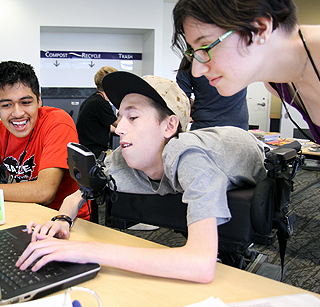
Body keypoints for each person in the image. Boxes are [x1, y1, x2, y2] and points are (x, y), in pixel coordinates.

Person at [171, 0, 320, 302]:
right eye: (192, 53)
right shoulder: (277, 79)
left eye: (205, 47)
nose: (197, 68)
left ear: (260, 27)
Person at [15, 71, 266, 283]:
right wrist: (62, 219)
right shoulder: (121, 158)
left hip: (242, 145)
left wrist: (87, 250)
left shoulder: (191, 157)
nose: (121, 128)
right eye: (120, 116)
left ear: (169, 126)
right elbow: (79, 193)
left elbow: (201, 263)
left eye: (133, 117)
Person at [0, 61, 90, 220]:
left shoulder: (57, 123)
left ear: (39, 100)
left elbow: (44, 192)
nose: (17, 113)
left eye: (26, 102)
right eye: (7, 105)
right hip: (23, 214)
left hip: (66, 218)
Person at [176, 57, 249, 130]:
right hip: (238, 126)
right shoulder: (242, 55)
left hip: (205, 126)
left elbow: (181, 100)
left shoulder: (191, 58)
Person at [76, 66, 119, 158]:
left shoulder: (94, 99)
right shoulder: (101, 103)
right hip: (95, 153)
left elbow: (105, 126)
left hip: (87, 150)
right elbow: (119, 125)